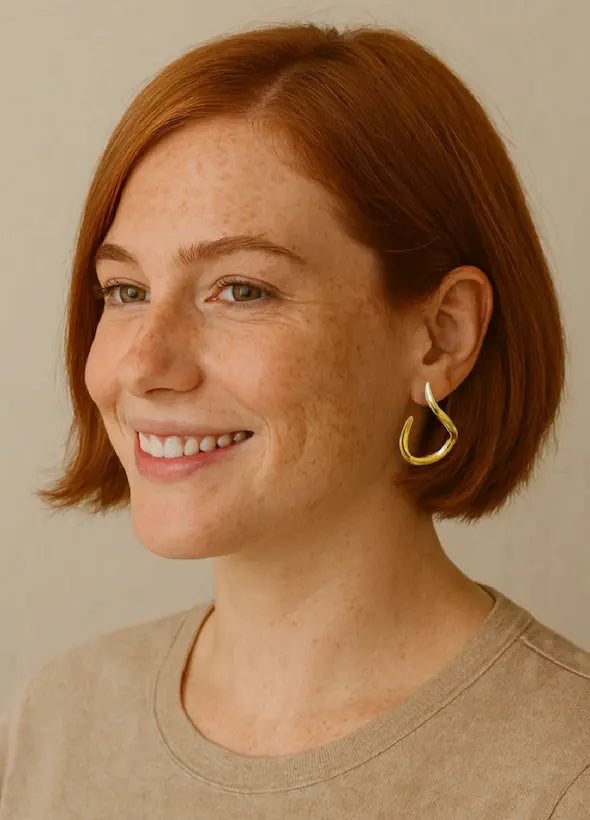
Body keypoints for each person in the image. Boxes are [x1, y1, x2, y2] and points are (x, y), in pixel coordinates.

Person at [1, 21, 588, 819]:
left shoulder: (563, 772)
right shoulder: (60, 720)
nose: (141, 365)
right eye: (125, 292)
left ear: (443, 333)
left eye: (241, 290)